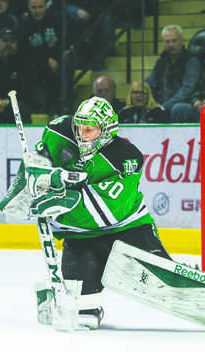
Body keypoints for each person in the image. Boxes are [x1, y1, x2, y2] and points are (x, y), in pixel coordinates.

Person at [25, 96, 172, 328]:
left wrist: (57, 196)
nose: (81, 134)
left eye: (89, 130)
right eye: (79, 128)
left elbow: (103, 214)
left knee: (162, 281)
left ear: (106, 131)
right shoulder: (58, 133)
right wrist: (35, 179)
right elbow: (33, 171)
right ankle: (88, 299)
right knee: (83, 314)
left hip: (128, 229)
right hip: (80, 238)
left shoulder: (126, 157)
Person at [18, 0, 73, 114]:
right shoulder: (24, 24)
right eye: (34, 7)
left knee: (67, 61)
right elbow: (26, 51)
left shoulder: (57, 18)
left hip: (59, 62)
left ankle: (63, 102)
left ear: (46, 6)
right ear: (28, 7)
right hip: (38, 66)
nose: (37, 11)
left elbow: (66, 41)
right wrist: (47, 60)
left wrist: (56, 58)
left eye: (40, 7)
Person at [146, 24, 203, 123]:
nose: (171, 45)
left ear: (182, 42)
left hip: (183, 106)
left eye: (174, 41)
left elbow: (187, 90)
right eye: (167, 41)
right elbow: (150, 83)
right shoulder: (161, 61)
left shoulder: (192, 61)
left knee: (177, 108)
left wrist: (164, 107)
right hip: (162, 105)